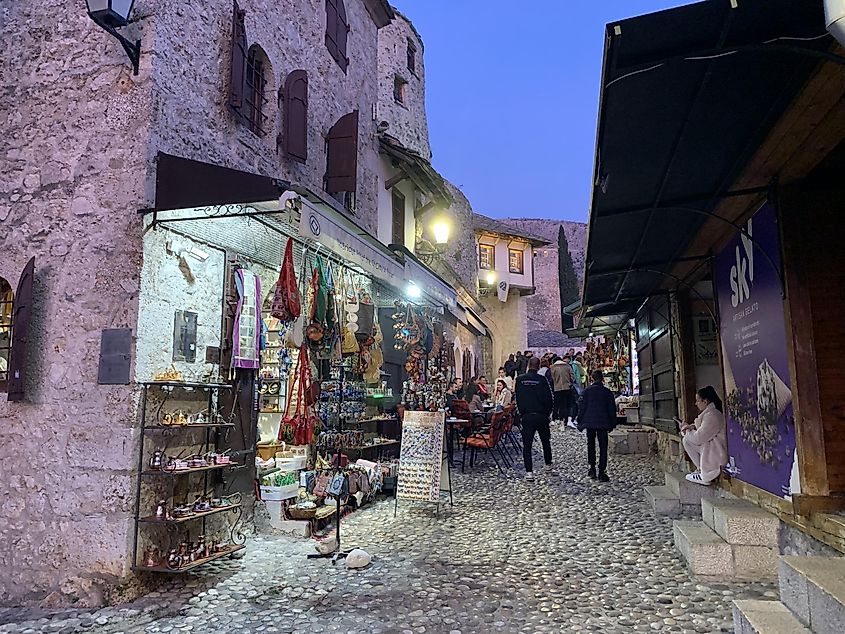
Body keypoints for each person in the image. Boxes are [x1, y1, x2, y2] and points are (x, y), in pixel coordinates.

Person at [515, 357, 554, 481]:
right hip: (541, 415)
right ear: (538, 367)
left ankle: (529, 472)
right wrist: (547, 413)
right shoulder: (542, 380)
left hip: (527, 416)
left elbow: (518, 399)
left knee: (527, 445)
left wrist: (522, 413)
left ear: (528, 366)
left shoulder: (520, 380)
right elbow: (549, 398)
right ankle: (548, 465)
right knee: (545, 442)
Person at [680, 386, 727, 485]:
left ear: (705, 402)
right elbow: (702, 429)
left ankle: (705, 474)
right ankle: (701, 469)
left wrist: (686, 430)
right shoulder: (710, 414)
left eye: (698, 401)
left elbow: (698, 438)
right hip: (713, 446)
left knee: (687, 440)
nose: (696, 403)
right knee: (686, 440)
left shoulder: (712, 416)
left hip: (717, 450)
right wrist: (692, 427)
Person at [576, 370, 617, 482]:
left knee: (591, 444)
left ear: (592, 379)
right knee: (603, 447)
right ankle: (602, 471)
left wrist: (579, 421)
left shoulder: (586, 392)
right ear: (602, 379)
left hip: (590, 422)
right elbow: (612, 409)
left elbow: (581, 407)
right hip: (603, 423)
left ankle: (592, 468)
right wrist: (613, 423)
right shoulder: (607, 392)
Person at [550, 355, 576, 427]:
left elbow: (551, 379)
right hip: (567, 388)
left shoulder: (552, 368)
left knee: (558, 404)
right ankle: (566, 420)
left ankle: (558, 420)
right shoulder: (567, 366)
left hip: (557, 388)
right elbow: (573, 378)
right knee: (567, 404)